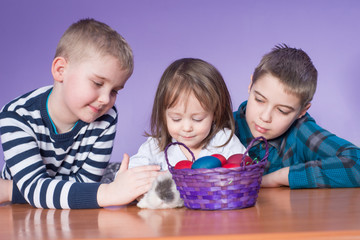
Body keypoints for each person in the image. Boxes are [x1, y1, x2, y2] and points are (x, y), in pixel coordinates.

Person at [0, 18, 161, 209]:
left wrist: (10, 190)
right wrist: (109, 192)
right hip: (21, 215)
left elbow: (87, 184)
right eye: (98, 83)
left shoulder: (106, 118)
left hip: (72, 213)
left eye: (115, 91)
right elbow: (36, 190)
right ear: (60, 70)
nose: (105, 99)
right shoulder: (16, 117)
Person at [234, 44, 360, 189]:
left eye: (282, 110)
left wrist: (281, 177)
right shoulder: (224, 125)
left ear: (302, 111)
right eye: (260, 100)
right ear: (251, 84)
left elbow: (357, 162)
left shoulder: (300, 131)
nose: (265, 117)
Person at [129, 58, 246, 171]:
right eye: (176, 119)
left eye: (197, 119)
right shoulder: (155, 147)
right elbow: (128, 175)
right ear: (164, 115)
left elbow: (245, 170)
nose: (186, 128)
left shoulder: (223, 140)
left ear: (215, 113)